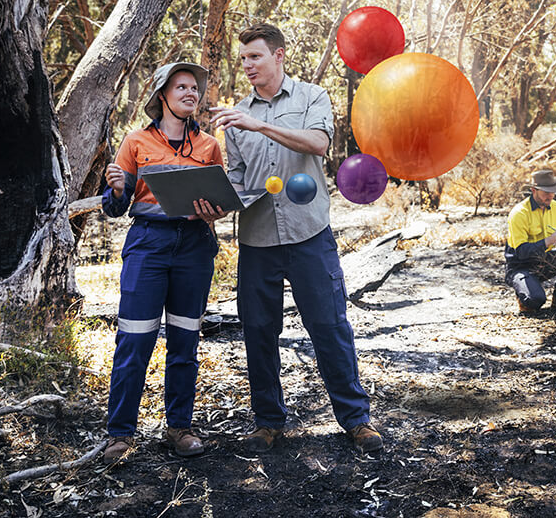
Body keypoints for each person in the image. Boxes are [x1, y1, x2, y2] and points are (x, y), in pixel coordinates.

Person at [211, 23, 383, 455]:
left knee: (329, 326)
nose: (248, 65)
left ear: (279, 55)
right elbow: (236, 176)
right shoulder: (235, 118)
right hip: (257, 240)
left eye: (255, 56)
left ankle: (356, 420)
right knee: (259, 332)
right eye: (244, 59)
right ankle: (268, 422)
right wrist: (215, 202)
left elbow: (319, 143)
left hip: (309, 235)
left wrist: (260, 125)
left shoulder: (312, 97)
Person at [100, 62, 229, 463]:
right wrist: (118, 188)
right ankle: (120, 434)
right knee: (134, 340)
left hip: (194, 247)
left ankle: (179, 427)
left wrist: (213, 211)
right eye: (182, 87)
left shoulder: (208, 146)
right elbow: (115, 208)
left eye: (195, 88)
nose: (191, 93)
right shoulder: (136, 142)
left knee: (184, 340)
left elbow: (219, 203)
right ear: (162, 96)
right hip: (148, 246)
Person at [504, 169, 556, 315]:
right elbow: (522, 252)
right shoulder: (519, 213)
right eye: (546, 192)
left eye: (553, 192)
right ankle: (524, 292)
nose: (550, 196)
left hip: (547, 261)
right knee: (534, 301)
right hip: (521, 266)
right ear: (533, 190)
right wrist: (547, 242)